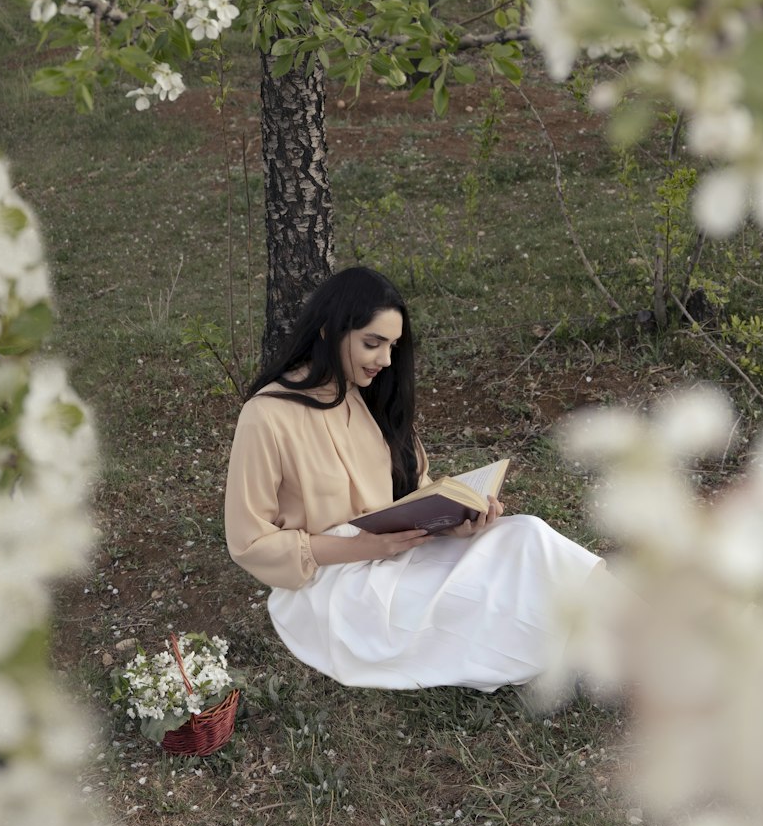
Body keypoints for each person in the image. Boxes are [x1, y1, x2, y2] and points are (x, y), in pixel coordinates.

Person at [224, 266, 605, 693]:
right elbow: (249, 543)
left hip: (397, 549)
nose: (386, 360)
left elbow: (412, 489)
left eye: (393, 346)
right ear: (330, 331)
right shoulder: (267, 415)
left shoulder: (371, 395)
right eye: (372, 343)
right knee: (480, 593)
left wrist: (458, 517)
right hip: (334, 582)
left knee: (526, 535)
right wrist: (359, 548)